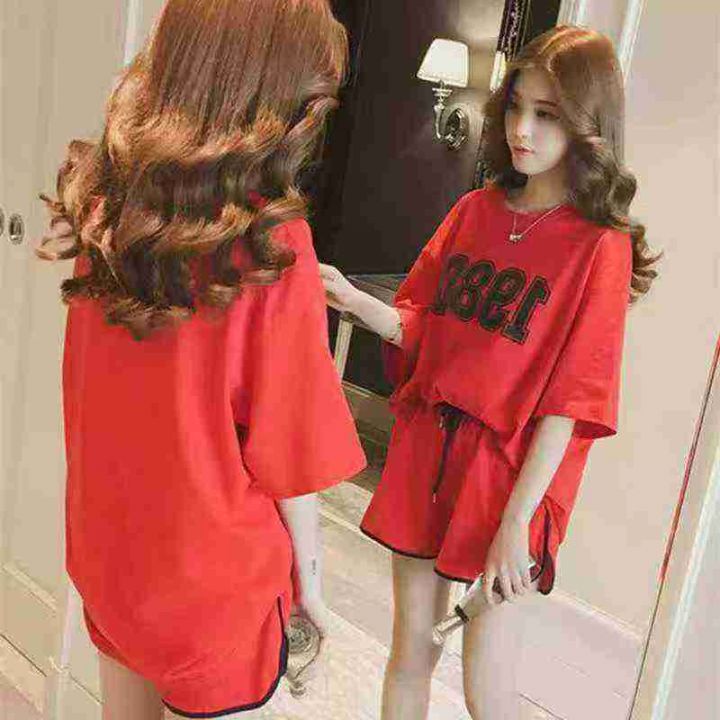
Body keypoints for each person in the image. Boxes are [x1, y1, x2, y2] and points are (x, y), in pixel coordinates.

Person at [37, 1, 365, 718]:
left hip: (110, 557)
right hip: (212, 587)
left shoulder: (107, 205)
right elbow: (289, 450)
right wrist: (310, 584)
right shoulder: (270, 244)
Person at [321, 25, 659, 720]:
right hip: (428, 451)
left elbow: (570, 401)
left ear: (588, 124)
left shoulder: (599, 246)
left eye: (546, 114)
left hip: (507, 477)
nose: (520, 130)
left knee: (486, 686)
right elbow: (427, 331)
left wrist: (517, 522)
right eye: (516, 108)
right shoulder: (475, 211)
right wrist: (354, 301)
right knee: (409, 653)